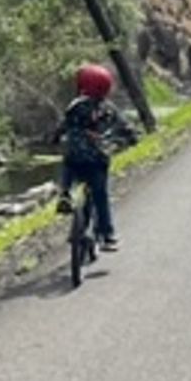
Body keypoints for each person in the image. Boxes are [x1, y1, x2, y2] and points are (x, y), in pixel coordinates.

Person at [51, 63, 137, 251]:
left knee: (68, 166)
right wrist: (132, 138)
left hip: (74, 159)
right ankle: (107, 235)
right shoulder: (108, 108)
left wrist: (55, 138)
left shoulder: (74, 106)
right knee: (100, 195)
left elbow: (62, 126)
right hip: (97, 160)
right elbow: (126, 128)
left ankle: (64, 193)